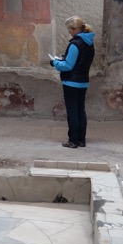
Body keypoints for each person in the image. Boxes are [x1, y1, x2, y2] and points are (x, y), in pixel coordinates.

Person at [50, 16, 95, 148]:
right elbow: (80, 60)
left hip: (71, 82)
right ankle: (81, 140)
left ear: (75, 29)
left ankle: (73, 140)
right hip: (83, 82)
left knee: (72, 112)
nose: (69, 32)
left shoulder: (75, 44)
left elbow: (68, 66)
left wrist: (55, 62)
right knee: (81, 110)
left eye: (69, 29)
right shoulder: (89, 43)